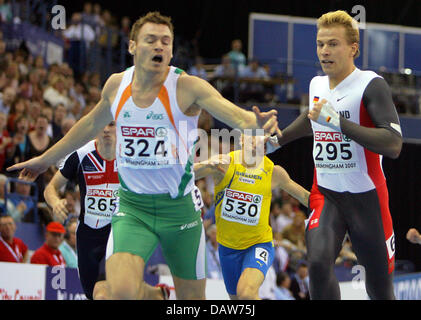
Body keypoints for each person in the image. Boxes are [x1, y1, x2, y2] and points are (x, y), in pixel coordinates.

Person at [8, 11, 281, 300]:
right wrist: (44, 160)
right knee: (121, 292)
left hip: (180, 213)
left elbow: (237, 115)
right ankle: (156, 296)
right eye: (151, 40)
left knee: (192, 303)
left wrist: (257, 124)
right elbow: (89, 124)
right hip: (133, 209)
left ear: (173, 50)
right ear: (132, 46)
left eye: (166, 41)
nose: (159, 46)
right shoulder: (116, 85)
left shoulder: (188, 87)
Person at [269, 10, 402, 300]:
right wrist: (278, 140)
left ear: (354, 48)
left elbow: (393, 144)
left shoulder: (371, 84)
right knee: (316, 264)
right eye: (320, 44)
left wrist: (339, 123)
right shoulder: (317, 84)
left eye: (333, 44)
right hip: (327, 193)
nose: (324, 51)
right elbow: (312, 117)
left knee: (379, 290)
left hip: (367, 199)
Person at [44, 122, 169, 300]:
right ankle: (154, 293)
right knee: (93, 293)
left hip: (118, 232)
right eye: (101, 124)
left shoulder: (132, 155)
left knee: (104, 294)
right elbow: (50, 187)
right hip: (87, 235)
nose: (105, 129)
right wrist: (56, 202)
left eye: (111, 124)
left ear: (120, 127)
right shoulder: (81, 155)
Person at [194, 134, 309, 300]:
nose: (257, 144)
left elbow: (306, 197)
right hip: (227, 248)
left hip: (258, 244)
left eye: (262, 141)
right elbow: (189, 173)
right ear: (241, 139)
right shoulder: (225, 163)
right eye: (253, 139)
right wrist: (203, 165)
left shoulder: (273, 172)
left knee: (246, 294)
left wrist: (336, 214)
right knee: (236, 300)